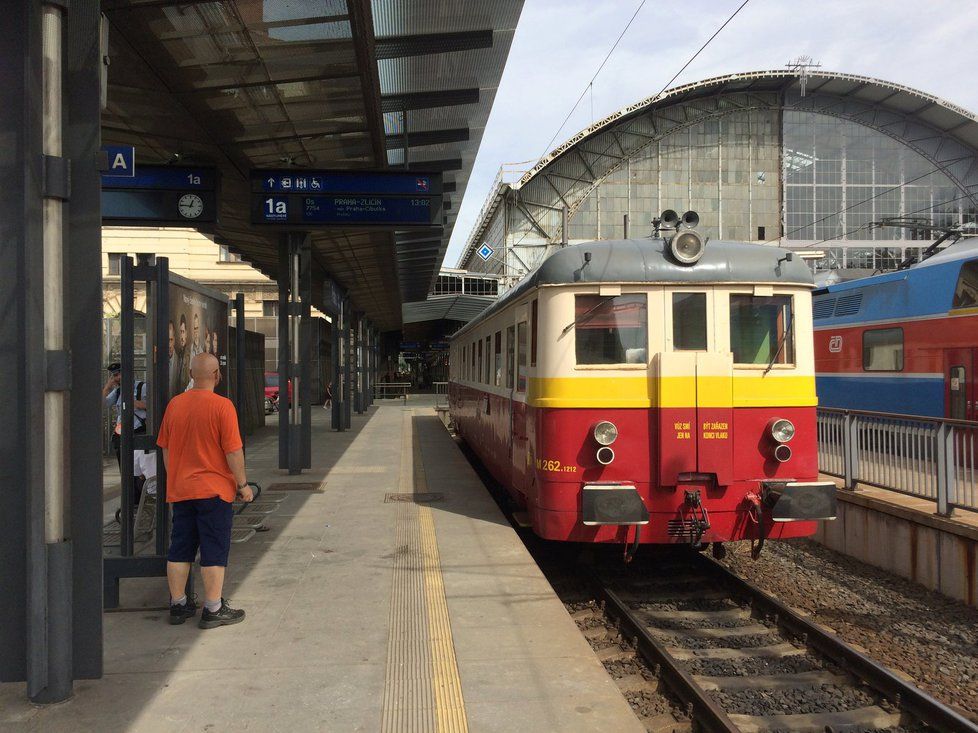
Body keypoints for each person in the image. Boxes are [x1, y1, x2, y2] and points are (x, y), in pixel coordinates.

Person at [158, 352, 252, 629]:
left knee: (180, 548)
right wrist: (243, 485)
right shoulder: (223, 407)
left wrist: (174, 477)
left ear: (190, 375)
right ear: (216, 376)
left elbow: (165, 447)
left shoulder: (174, 405)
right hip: (214, 491)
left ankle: (178, 605)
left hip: (182, 489)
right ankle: (213, 608)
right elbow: (233, 451)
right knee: (214, 548)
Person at [102, 362, 149, 506]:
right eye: (114, 376)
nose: (116, 378)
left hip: (138, 432)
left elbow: (150, 404)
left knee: (139, 469)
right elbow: (101, 404)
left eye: (118, 374)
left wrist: (131, 401)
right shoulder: (117, 392)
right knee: (125, 469)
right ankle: (130, 500)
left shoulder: (142, 386)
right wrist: (107, 387)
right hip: (121, 434)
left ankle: (139, 499)